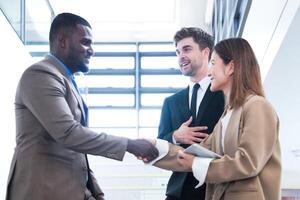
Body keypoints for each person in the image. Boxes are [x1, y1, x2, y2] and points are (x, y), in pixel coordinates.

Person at [5, 13, 158, 200]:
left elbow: (78, 153)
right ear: (62, 41)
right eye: (85, 42)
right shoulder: (41, 74)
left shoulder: (66, 80)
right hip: (43, 191)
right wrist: (129, 144)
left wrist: (94, 192)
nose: (91, 50)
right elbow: (69, 133)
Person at [153, 38, 281, 200]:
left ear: (231, 67)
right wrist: (152, 151)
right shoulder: (227, 116)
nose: (209, 72)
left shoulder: (257, 106)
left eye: (213, 63)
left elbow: (248, 162)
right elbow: (192, 153)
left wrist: (195, 163)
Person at [158, 27, 224, 200]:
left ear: (205, 52)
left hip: (214, 189)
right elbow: (159, 144)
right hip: (177, 192)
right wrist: (175, 136)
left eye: (187, 49)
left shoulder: (225, 95)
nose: (180, 56)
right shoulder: (170, 102)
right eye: (178, 52)